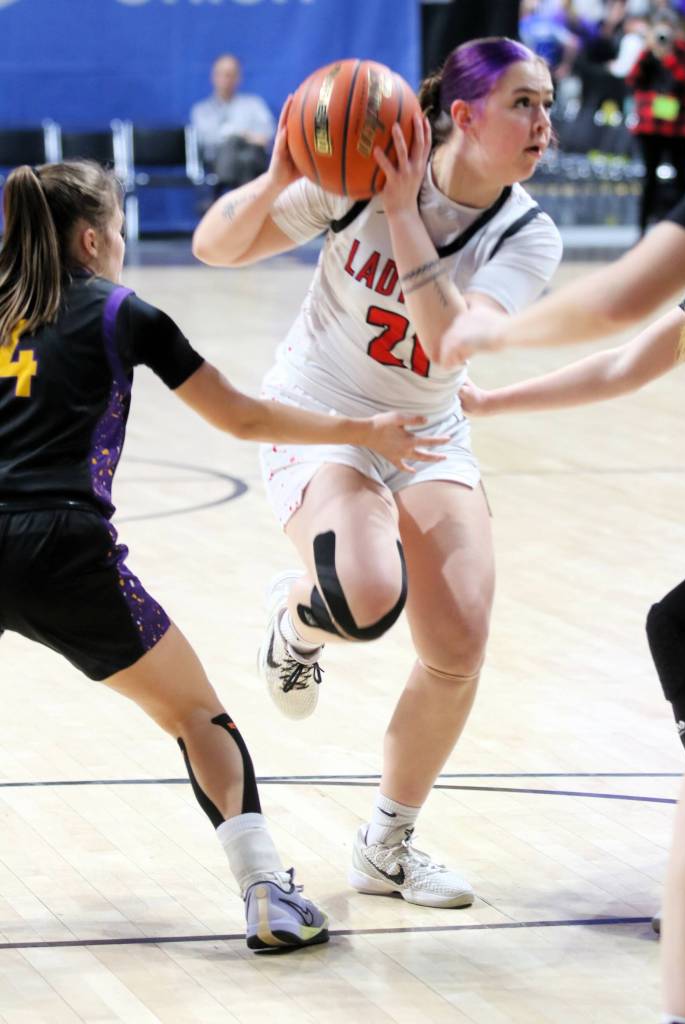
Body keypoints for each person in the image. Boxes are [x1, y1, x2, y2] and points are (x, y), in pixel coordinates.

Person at [440, 1, 685, 1015]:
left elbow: (614, 306)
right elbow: (621, 361)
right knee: (680, 620)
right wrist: (500, 396)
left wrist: (491, 332)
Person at [0, 159, 446, 953]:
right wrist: (363, 430)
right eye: (124, 232)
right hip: (63, 547)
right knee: (196, 715)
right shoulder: (124, 312)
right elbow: (241, 417)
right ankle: (268, 894)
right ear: (96, 238)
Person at [192, 37, 563, 910]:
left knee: (459, 643)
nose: (544, 122)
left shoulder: (526, 233)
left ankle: (387, 843)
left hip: (427, 429)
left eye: (547, 102)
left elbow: (448, 345)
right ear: (463, 116)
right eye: (523, 103)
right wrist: (283, 171)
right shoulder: (357, 170)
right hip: (319, 414)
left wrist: (403, 217)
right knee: (362, 596)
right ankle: (298, 620)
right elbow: (214, 247)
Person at [626, 12, 685, 232]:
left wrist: (668, 57)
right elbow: (632, 79)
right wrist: (648, 51)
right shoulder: (647, 52)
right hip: (650, 126)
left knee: (681, 180)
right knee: (649, 179)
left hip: (678, 127)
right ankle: (641, 232)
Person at [190, 54, 275, 190]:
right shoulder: (201, 110)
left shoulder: (254, 104)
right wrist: (242, 136)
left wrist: (239, 136)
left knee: (247, 155)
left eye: (230, 74)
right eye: (221, 74)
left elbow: (266, 136)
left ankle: (235, 201)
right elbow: (205, 141)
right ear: (213, 77)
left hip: (252, 161)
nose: (225, 79)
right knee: (236, 149)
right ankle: (247, 202)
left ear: (238, 78)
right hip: (217, 162)